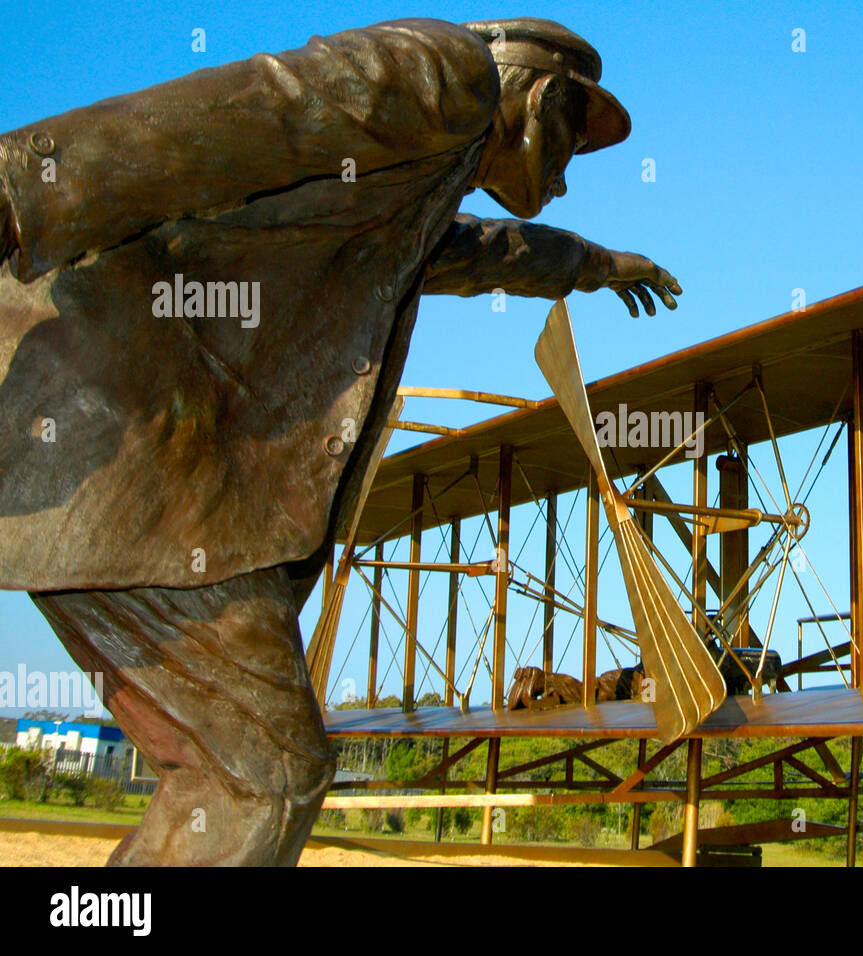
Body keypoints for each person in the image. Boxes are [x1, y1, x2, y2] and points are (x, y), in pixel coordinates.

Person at [0, 17, 679, 865]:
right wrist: (17, 189)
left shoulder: (414, 186)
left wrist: (593, 262)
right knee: (261, 775)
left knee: (241, 769)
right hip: (122, 434)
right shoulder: (450, 73)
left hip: (134, 455)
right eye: (570, 148)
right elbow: (247, 111)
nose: (566, 180)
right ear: (540, 99)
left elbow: (469, 254)